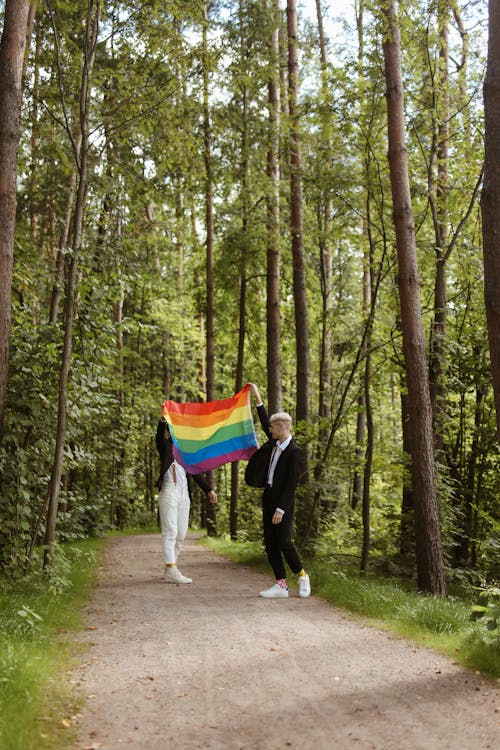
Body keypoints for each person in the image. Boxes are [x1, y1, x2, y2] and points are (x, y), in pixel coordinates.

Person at [247, 383, 311, 599]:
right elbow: (266, 421)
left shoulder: (294, 452)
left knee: (284, 541)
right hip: (269, 496)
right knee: (270, 544)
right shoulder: (275, 442)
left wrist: (281, 509)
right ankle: (281, 585)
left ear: (282, 427)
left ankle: (302, 576)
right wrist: (257, 396)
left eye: (273, 428)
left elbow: (291, 484)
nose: (269, 430)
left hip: (284, 502)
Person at [156, 418, 217, 583]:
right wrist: (162, 421)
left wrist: (208, 490)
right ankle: (171, 568)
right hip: (169, 490)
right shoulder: (166, 447)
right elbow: (158, 438)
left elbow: (196, 474)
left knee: (181, 534)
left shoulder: (187, 454)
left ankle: (171, 567)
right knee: (171, 531)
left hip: (184, 494)